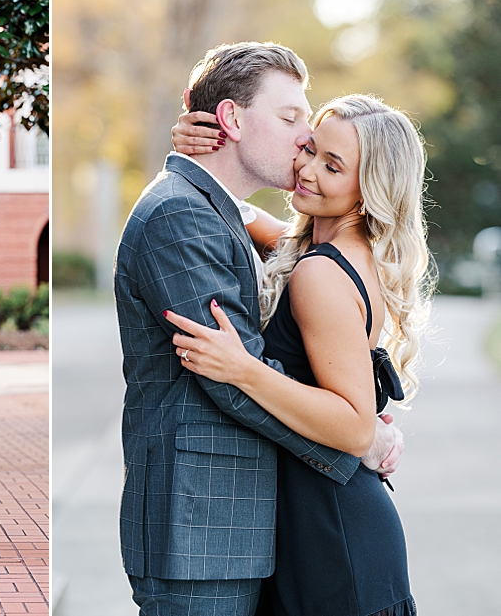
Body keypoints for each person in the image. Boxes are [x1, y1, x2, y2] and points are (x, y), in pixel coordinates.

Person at [113, 42, 402, 615]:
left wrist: (358, 427)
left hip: (246, 528)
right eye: (292, 119)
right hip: (200, 529)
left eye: (327, 156)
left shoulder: (227, 217)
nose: (303, 142)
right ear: (231, 120)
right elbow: (228, 379)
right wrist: (361, 438)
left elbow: (248, 353)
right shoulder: (182, 213)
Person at [166, 94, 431, 615]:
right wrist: (196, 152)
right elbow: (241, 215)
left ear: (368, 190)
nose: (307, 169)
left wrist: (243, 370)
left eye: (332, 166)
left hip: (333, 542)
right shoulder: (319, 252)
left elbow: (355, 428)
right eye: (309, 148)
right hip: (323, 528)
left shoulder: (321, 274)